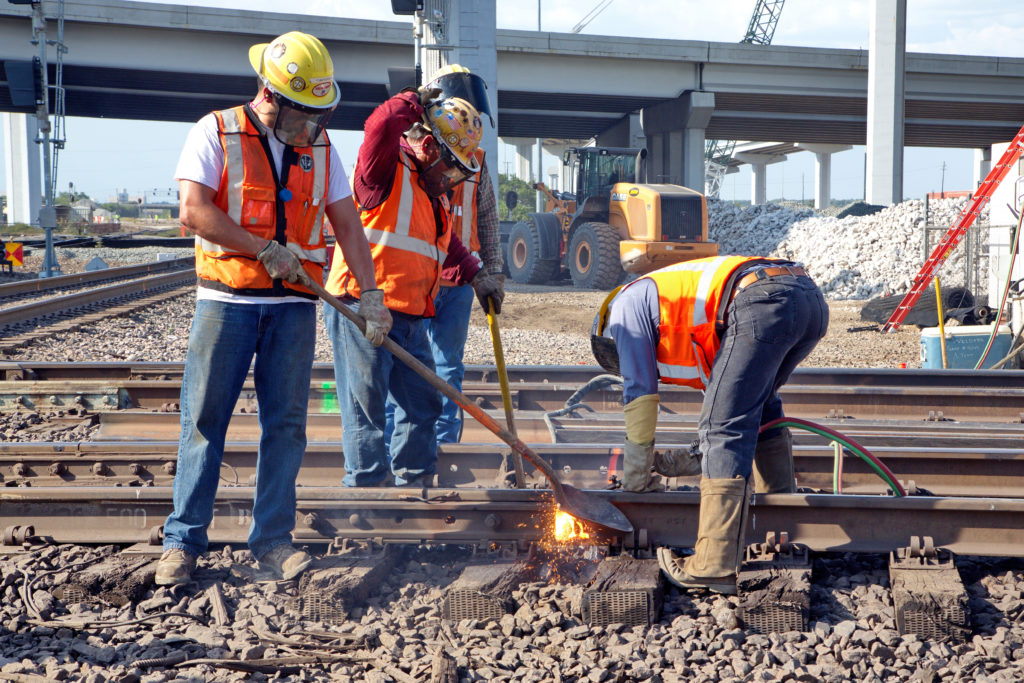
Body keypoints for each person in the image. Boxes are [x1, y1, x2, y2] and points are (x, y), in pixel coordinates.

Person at [156, 31, 391, 586]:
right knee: (204, 424)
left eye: (319, 113)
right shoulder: (215, 131)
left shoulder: (321, 146)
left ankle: (273, 542)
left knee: (285, 427)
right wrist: (261, 248)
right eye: (305, 112)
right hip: (227, 302)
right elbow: (193, 211)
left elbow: (347, 224)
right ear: (272, 95)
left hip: (293, 307)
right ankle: (182, 542)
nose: (312, 125)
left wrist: (371, 292)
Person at [591, 255, 828, 595]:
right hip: (806, 299)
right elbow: (736, 405)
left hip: (763, 299)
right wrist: (693, 456)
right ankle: (780, 527)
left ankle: (713, 565)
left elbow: (640, 389)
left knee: (724, 429)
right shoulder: (680, 313)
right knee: (760, 406)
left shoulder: (625, 307)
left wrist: (637, 473)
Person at [322, 82, 504, 488]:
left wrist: (477, 275)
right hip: (363, 307)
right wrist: (412, 101)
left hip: (410, 315)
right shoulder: (382, 170)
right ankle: (368, 490)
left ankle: (415, 479)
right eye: (452, 165)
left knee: (423, 403)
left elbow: (448, 243)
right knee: (366, 408)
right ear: (428, 147)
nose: (454, 178)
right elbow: (379, 125)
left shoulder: (432, 190)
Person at [385, 64, 503, 446]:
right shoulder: (409, 153)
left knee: (447, 366)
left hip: (459, 280)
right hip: (417, 275)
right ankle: (397, 444)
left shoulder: (476, 160)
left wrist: (493, 272)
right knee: (401, 368)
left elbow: (486, 218)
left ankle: (444, 443)